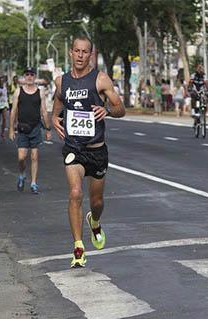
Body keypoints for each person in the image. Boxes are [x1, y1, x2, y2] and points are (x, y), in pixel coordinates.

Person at [51, 36, 126, 268]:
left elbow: (120, 108)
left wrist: (108, 111)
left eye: (85, 52)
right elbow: (57, 103)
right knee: (75, 193)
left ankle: (94, 221)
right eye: (77, 51)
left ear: (90, 54)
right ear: (71, 53)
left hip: (97, 150)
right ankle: (78, 247)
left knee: (97, 201)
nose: (81, 55)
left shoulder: (101, 79)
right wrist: (54, 118)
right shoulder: (61, 81)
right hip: (74, 148)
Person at [9, 68, 52, 194]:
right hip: (22, 128)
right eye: (27, 74)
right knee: (21, 158)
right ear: (24, 77)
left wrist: (48, 129)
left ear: (34, 77)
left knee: (34, 157)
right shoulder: (18, 91)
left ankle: (33, 183)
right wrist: (11, 129)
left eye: (31, 75)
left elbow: (44, 111)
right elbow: (13, 111)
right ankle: (22, 174)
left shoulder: (40, 92)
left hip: (35, 128)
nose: (29, 77)